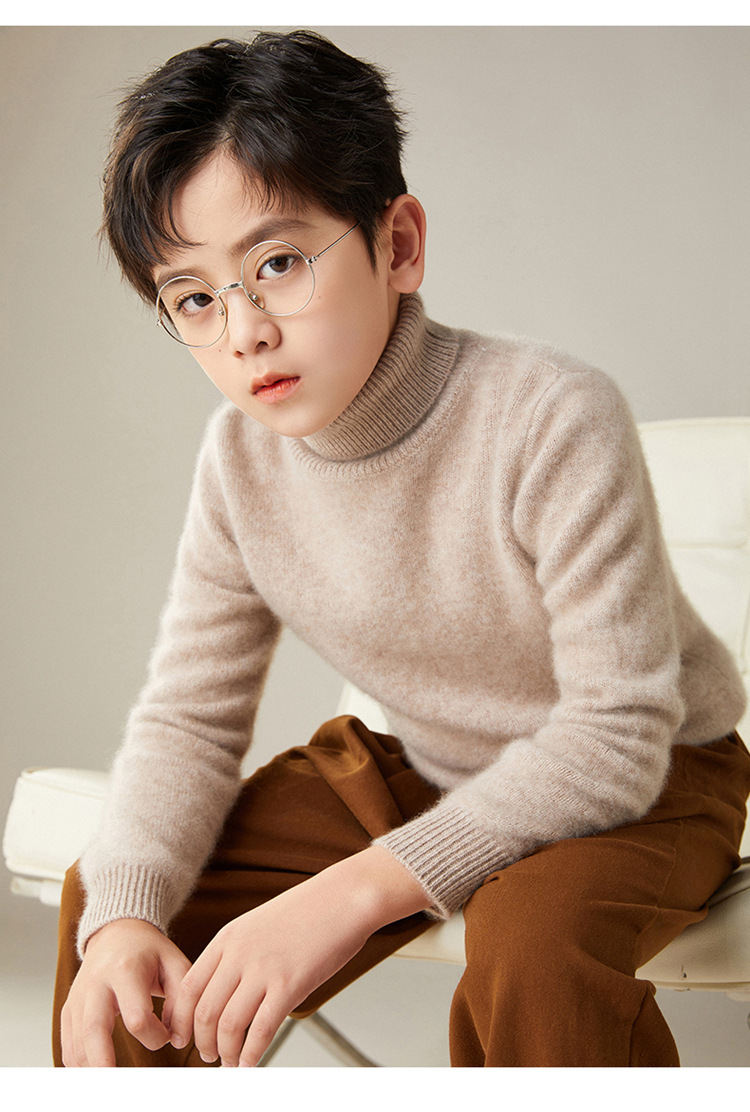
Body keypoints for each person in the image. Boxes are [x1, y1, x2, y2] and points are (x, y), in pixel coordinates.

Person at [53, 29, 750, 1069]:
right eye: (195, 296)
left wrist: (355, 890)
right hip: (426, 758)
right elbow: (188, 719)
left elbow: (616, 732)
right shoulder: (239, 462)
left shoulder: (549, 414)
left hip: (649, 774)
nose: (243, 331)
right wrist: (120, 917)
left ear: (400, 244)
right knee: (117, 903)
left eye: (277, 264)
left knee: (533, 941)